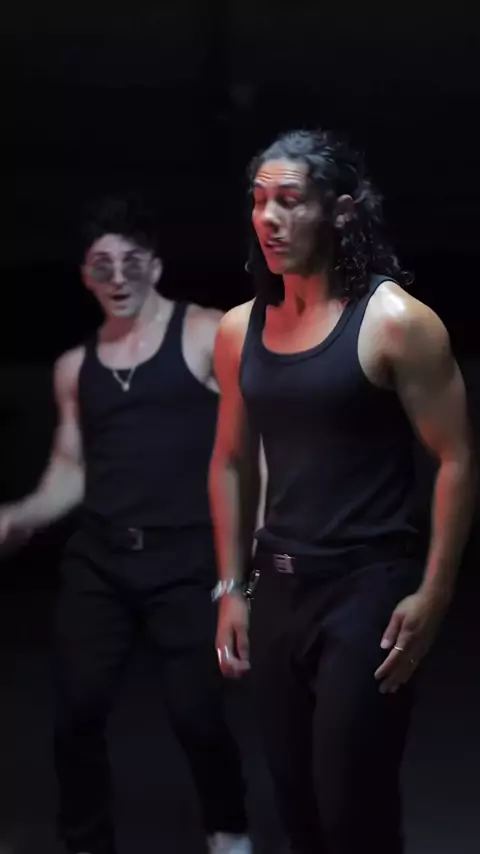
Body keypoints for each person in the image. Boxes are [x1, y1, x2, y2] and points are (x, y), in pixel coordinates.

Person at [209, 129, 475, 854]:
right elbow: (231, 460)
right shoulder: (239, 330)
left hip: (368, 591)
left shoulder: (396, 323)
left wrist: (434, 595)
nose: (268, 218)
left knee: (352, 808)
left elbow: (456, 458)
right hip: (278, 588)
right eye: (259, 201)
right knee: (295, 807)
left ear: (341, 211)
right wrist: (231, 587)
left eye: (289, 201)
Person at [0, 197, 251, 854]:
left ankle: (229, 833)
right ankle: (88, 842)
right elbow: (71, 469)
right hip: (101, 563)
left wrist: (249, 561)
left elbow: (254, 446)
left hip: (189, 561)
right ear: (86, 276)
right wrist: (21, 514)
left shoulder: (207, 334)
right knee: (76, 712)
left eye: (131, 262)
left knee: (197, 715)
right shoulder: (73, 368)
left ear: (155, 267)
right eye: (102, 265)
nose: (118, 277)